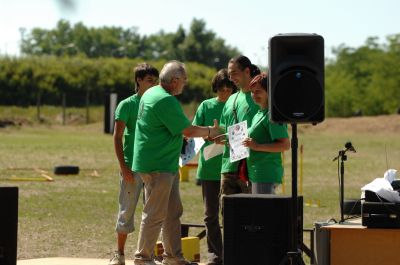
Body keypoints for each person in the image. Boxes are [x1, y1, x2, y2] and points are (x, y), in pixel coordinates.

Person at [132, 60, 222, 265]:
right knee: (155, 213)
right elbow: (188, 131)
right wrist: (211, 132)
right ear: (174, 81)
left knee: (173, 212)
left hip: (162, 163)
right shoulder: (165, 100)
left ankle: (173, 257)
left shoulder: (152, 93)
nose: (185, 84)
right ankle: (142, 258)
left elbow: (181, 128)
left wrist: (205, 132)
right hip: (158, 165)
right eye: (184, 80)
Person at [109, 63, 159, 265]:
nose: (153, 85)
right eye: (149, 81)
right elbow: (117, 137)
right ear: (138, 80)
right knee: (126, 212)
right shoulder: (127, 105)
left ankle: (147, 255)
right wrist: (124, 168)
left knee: (153, 214)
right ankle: (119, 254)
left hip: (153, 168)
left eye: (155, 82)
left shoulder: (157, 103)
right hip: (131, 167)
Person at [192, 69, 236, 265]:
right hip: (209, 168)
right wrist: (207, 135)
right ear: (215, 88)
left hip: (231, 168)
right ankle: (215, 255)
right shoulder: (206, 105)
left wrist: (224, 135)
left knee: (232, 215)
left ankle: (234, 253)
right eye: (221, 88)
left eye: (228, 88)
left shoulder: (238, 105)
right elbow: (194, 131)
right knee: (210, 216)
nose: (225, 92)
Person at [218, 55, 260, 199]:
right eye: (229, 74)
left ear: (247, 71)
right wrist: (217, 136)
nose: (231, 78)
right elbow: (225, 129)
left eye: (234, 73)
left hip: (251, 168)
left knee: (253, 217)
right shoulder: (231, 99)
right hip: (228, 167)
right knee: (229, 217)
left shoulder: (261, 98)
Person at [242, 73, 290, 194]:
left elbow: (285, 145)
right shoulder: (259, 113)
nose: (254, 95)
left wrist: (257, 146)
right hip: (256, 172)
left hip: (265, 173)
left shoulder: (271, 116)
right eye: (252, 91)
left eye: (258, 91)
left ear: (269, 92)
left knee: (264, 212)